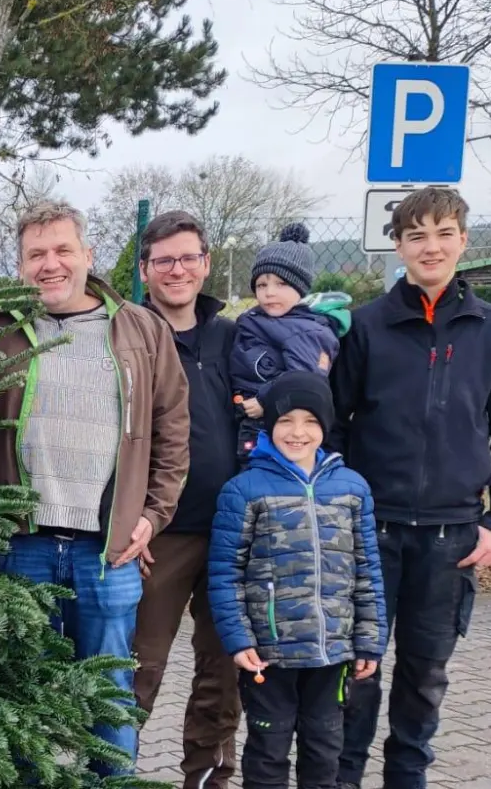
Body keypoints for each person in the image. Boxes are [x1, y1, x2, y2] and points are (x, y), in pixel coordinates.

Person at [0, 200, 190, 777]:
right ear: (19, 266)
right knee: (24, 693)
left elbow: (172, 430)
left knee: (110, 690)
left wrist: (153, 516)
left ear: (87, 256)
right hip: (22, 544)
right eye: (36, 254)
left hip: (109, 549)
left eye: (63, 250)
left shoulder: (140, 330)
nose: (50, 264)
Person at [332, 186, 491, 789]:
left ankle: (408, 777)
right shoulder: (366, 328)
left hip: (452, 536)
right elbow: (336, 426)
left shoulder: (485, 330)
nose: (431, 246)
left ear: (462, 241)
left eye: (443, 233)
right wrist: (347, 507)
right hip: (373, 532)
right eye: (417, 235)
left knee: (426, 676)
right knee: (358, 670)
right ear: (397, 245)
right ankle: (342, 776)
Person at [209, 372, 387, 789]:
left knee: (325, 750)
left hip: (333, 653)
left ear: (325, 425)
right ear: (269, 424)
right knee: (268, 752)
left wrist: (370, 641)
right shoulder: (244, 490)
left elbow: (368, 571)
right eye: (286, 420)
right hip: (269, 655)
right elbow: (225, 573)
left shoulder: (352, 488)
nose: (298, 432)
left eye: (310, 420)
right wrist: (240, 640)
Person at [131, 211, 243, 789]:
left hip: (232, 533)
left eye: (188, 257)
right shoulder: (129, 337)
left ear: (206, 263)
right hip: (159, 535)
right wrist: (134, 520)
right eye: (164, 260)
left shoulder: (234, 337)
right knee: (138, 666)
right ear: (145, 270)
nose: (177, 270)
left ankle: (208, 778)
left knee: (222, 673)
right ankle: (115, 769)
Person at [230, 223, 349, 459]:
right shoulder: (256, 319)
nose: (269, 292)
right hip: (247, 416)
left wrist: (265, 399)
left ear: (301, 288)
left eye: (282, 284)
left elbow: (305, 380)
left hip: (274, 422)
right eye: (262, 285)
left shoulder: (306, 330)